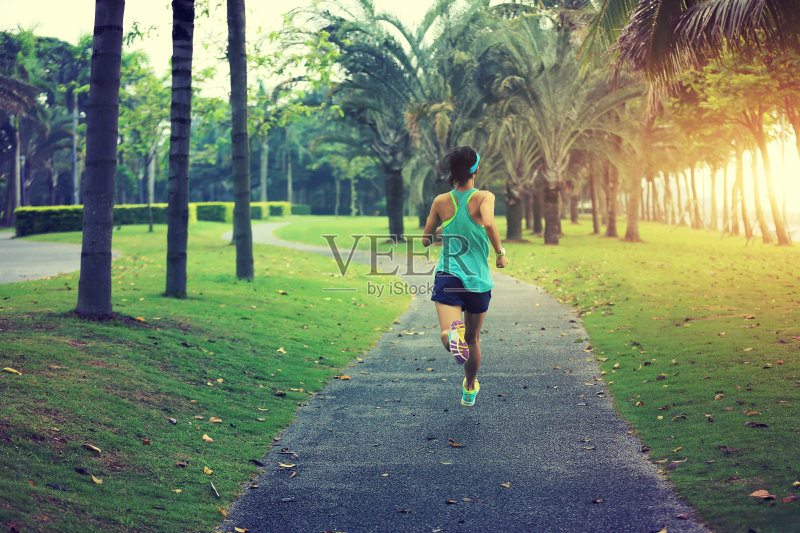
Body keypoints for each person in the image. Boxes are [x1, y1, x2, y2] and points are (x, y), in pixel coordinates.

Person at [422, 146, 508, 406]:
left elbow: (426, 240)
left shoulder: (440, 201)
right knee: (473, 339)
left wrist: (442, 228)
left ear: (453, 172)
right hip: (477, 280)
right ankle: (470, 387)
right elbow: (490, 223)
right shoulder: (484, 197)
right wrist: (500, 253)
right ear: (476, 170)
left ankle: (451, 338)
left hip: (449, 274)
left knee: (449, 331)